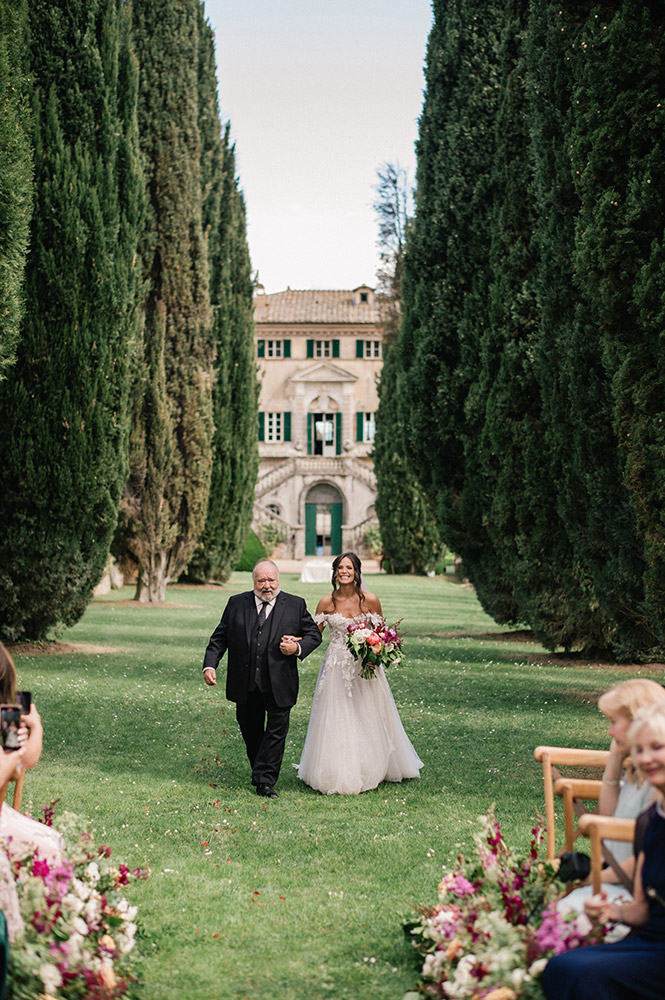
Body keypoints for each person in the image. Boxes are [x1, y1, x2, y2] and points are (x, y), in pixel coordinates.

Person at [542, 698, 665, 1000]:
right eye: (638, 751)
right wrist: (611, 911)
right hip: (652, 937)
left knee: (587, 976)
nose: (647, 758)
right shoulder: (650, 820)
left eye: (657, 748)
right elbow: (639, 908)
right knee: (559, 967)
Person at [296, 552, 423, 794]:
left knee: (368, 713)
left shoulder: (370, 600)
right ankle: (336, 769)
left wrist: (377, 654)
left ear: (356, 572)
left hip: (365, 667)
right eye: (340, 568)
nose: (344, 572)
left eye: (349, 568)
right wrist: (296, 641)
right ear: (334, 572)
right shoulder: (326, 603)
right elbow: (313, 634)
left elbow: (383, 635)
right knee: (336, 716)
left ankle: (374, 765)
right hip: (335, 666)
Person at [203, 559, 322, 798]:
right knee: (251, 730)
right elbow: (220, 637)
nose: (267, 585)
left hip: (280, 682)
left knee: (277, 732)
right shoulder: (236, 603)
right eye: (261, 580)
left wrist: (296, 649)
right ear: (254, 582)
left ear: (278, 580)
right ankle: (261, 771)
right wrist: (209, 665)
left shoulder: (295, 604)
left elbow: (312, 634)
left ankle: (265, 781)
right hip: (245, 682)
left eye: (271, 580)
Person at [558, 679, 664, 935]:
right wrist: (615, 759)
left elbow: (643, 856)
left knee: (559, 919)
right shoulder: (636, 772)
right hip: (614, 879)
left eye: (614, 722)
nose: (609, 731)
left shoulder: (656, 784)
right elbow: (608, 820)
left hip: (631, 888)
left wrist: (590, 880)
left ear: (637, 719)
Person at [0, 643, 62, 867]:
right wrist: (9, 762)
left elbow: (27, 760)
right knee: (48, 852)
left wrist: (36, 727)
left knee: (53, 841)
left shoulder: (7, 721)